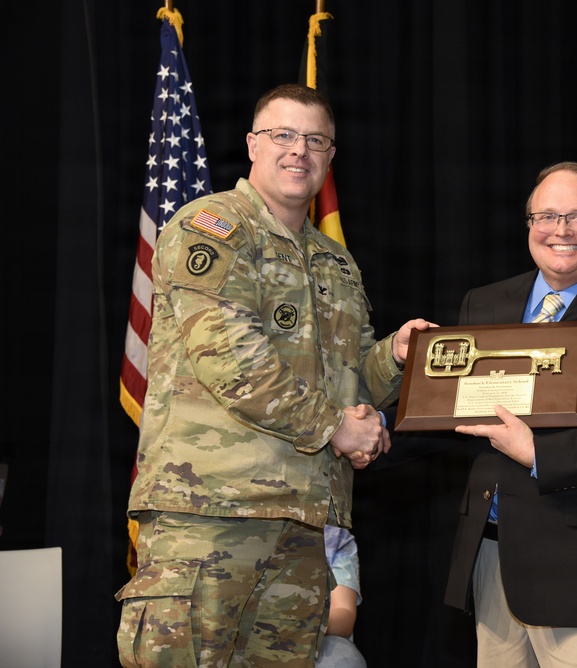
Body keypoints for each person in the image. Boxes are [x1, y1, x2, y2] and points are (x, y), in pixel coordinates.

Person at [116, 83, 432, 667]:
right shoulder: (212, 228)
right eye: (282, 135)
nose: (299, 151)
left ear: (331, 156)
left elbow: (350, 380)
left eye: (316, 140)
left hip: (306, 524)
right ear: (252, 145)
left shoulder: (334, 261)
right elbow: (231, 359)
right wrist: (338, 427)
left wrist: (397, 357)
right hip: (211, 514)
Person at [386, 161, 577, 667]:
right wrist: (373, 432)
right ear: (529, 225)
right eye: (546, 215)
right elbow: (452, 411)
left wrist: (537, 452)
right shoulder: (485, 304)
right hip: (492, 562)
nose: (561, 230)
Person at [315, 526, 367, 668]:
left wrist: (302, 623)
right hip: (252, 637)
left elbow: (343, 616)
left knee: (342, 658)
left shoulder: (333, 537)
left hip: (313, 635)